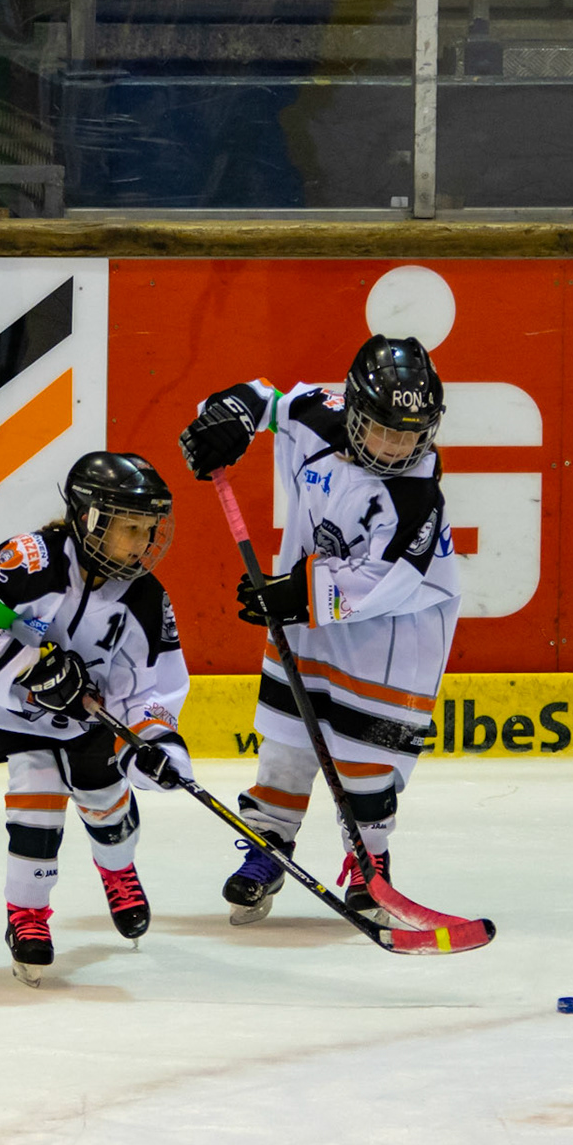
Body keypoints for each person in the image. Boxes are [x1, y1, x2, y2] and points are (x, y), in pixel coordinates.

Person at [177, 334, 460, 925]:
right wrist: (225, 421)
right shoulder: (320, 416)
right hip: (310, 619)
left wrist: (293, 594)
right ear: (353, 411)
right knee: (286, 742)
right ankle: (268, 845)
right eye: (383, 430)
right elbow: (265, 399)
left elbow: (388, 579)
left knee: (364, 758)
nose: (397, 447)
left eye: (410, 435)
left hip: (393, 635)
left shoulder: (417, 494)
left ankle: (370, 862)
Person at [0, 452, 192, 985]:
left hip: (93, 718)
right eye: (130, 528)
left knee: (104, 801)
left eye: (149, 529)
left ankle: (118, 870)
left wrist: (155, 743)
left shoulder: (145, 597)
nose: (144, 543)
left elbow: (149, 690)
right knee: (34, 801)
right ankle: (27, 915)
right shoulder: (27, 563)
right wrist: (32, 670)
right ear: (89, 518)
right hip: (19, 713)